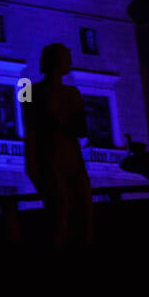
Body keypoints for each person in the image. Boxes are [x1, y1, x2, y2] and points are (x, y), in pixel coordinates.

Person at [24, 44, 94, 245]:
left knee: (83, 207)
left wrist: (58, 121)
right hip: (51, 158)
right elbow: (30, 128)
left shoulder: (73, 93)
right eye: (66, 58)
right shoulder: (31, 92)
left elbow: (81, 129)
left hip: (69, 157)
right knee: (60, 209)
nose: (70, 63)